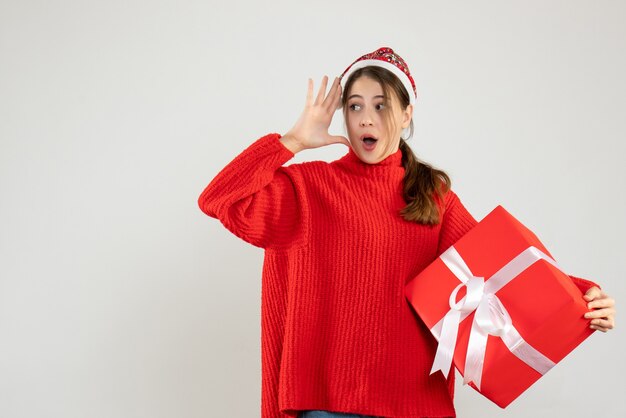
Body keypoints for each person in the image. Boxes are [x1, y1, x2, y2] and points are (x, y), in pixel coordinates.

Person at [198, 47, 615, 418]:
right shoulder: (308, 189)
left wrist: (582, 295)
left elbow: (501, 272)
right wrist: (291, 141)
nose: (366, 118)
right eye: (355, 106)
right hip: (329, 406)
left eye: (381, 106)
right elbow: (219, 200)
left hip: (414, 405)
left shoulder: (432, 197)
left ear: (406, 113)